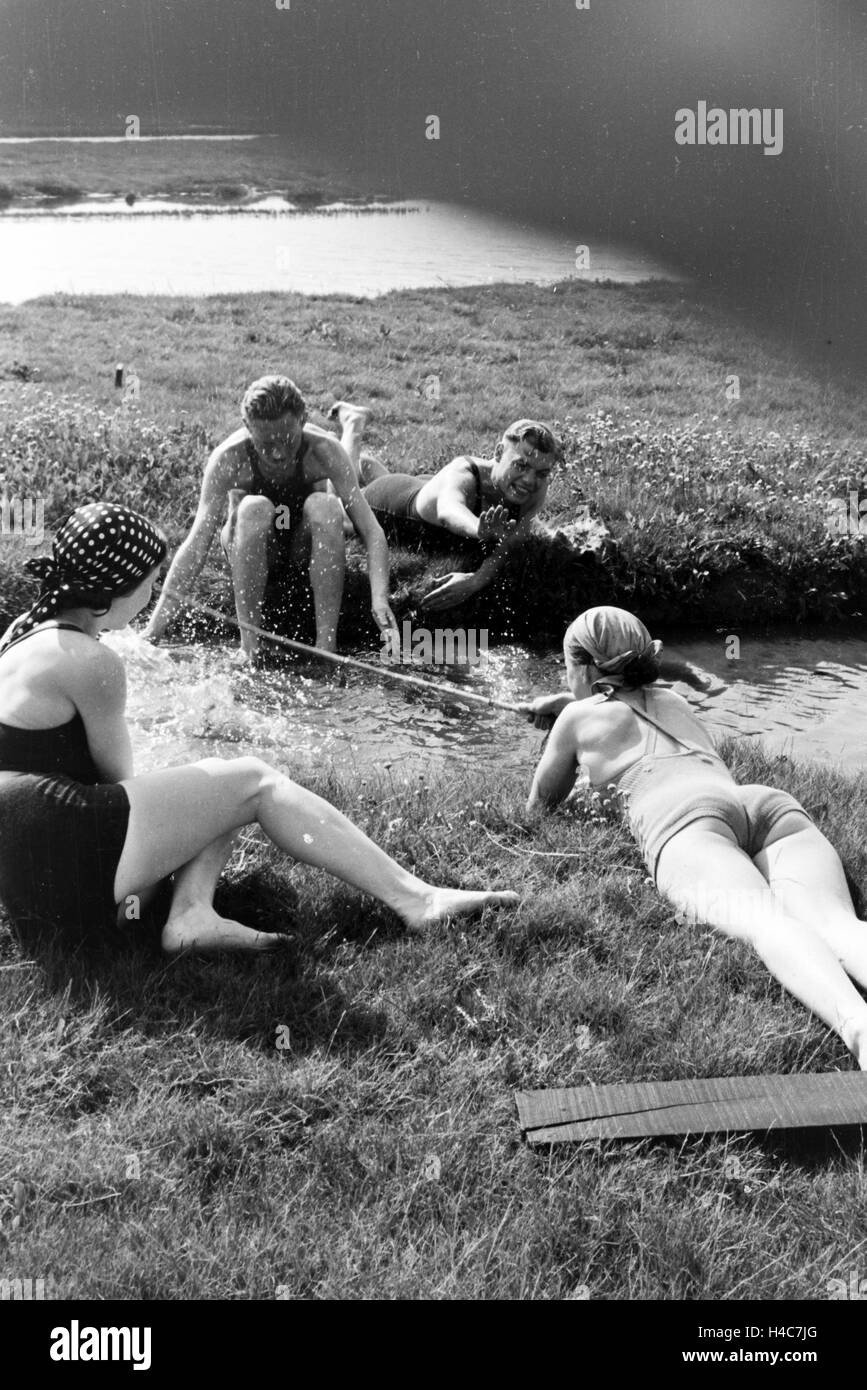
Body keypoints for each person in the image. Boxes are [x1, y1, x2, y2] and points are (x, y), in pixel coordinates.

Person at [0, 504, 518, 952]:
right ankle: (418, 899)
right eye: (150, 581)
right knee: (253, 779)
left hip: (25, 881)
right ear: (111, 590)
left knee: (210, 778)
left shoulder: (22, 635)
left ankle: (191, 916)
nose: (155, 590)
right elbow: (118, 779)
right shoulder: (91, 662)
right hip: (65, 857)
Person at [525, 604, 867, 1068]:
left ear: (584, 667)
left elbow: (539, 806)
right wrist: (569, 705)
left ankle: (859, 1029)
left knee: (767, 923)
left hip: (688, 823)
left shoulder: (576, 720)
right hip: (761, 804)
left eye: (567, 669)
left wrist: (562, 725)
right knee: (837, 926)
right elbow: (627, 702)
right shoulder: (675, 701)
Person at [145, 376, 398, 663]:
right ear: (246, 426)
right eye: (265, 442)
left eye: (287, 440)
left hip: (302, 544)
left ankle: (327, 647)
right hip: (251, 542)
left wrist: (379, 598)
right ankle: (249, 647)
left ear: (302, 420)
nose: (277, 453)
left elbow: (372, 531)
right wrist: (153, 632)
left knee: (327, 505)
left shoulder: (323, 451)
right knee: (254, 507)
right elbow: (197, 544)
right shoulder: (229, 458)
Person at [329, 402, 560, 612]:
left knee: (402, 482)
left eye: (541, 473)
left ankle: (368, 467)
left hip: (426, 487)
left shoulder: (536, 488)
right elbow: (449, 510)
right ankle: (353, 424)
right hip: (392, 506)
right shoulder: (464, 471)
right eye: (520, 465)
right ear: (499, 453)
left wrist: (475, 580)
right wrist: (478, 529)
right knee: (340, 494)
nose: (530, 480)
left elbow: (511, 543)